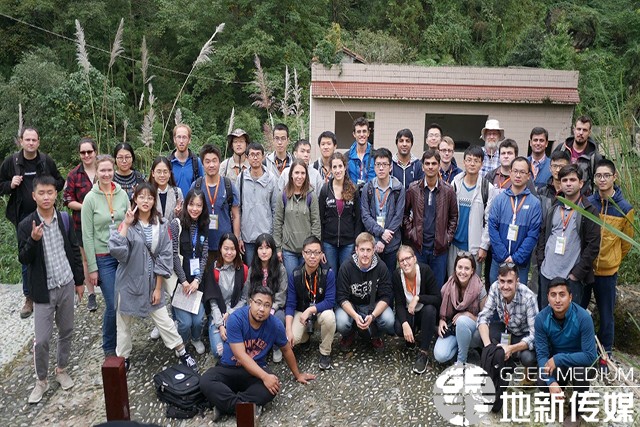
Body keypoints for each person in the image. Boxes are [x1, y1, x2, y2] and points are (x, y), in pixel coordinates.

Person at [108, 183, 197, 372]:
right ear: (135, 199)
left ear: (154, 200)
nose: (145, 201)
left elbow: (165, 257)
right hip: (128, 281)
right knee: (123, 322)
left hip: (151, 282)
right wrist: (126, 225)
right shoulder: (128, 223)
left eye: (149, 197)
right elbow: (117, 252)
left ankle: (181, 351)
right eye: (141, 197)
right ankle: (123, 356)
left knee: (164, 319)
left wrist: (158, 288)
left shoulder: (162, 224)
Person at [199, 286, 316, 422]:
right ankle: (245, 407)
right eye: (258, 303)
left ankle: (223, 405)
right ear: (250, 302)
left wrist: (298, 374)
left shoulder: (275, 325)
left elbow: (286, 349)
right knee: (206, 380)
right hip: (229, 367)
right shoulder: (236, 319)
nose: (261, 309)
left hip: (255, 371)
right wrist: (265, 376)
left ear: (271, 308)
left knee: (272, 387)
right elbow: (241, 356)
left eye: (267, 305)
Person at [18, 175, 84, 403]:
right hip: (43, 290)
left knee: (67, 330)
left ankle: (61, 369)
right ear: (33, 196)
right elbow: (23, 258)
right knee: (42, 339)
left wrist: (79, 281)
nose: (46, 197)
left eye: (50, 192)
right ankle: (41, 380)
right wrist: (33, 240)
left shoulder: (64, 219)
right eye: (41, 193)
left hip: (65, 283)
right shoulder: (26, 225)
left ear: (56, 194)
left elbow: (74, 250)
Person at [0, 127, 64, 318]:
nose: (30, 143)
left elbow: (60, 182)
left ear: (38, 142)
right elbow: (0, 185)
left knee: (50, 253)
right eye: (27, 140)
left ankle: (53, 293)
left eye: (33, 140)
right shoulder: (11, 162)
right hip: (23, 219)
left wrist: (48, 185)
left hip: (46, 215)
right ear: (21, 141)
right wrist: (10, 184)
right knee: (27, 256)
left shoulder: (45, 161)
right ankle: (29, 297)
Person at [584, 159, 634, 358]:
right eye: (598, 176)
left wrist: (613, 259)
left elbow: (626, 242)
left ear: (614, 177)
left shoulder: (624, 208)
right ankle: (581, 347)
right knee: (579, 309)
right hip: (586, 268)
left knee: (606, 314)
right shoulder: (588, 202)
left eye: (606, 175)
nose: (602, 179)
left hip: (608, 271)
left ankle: (606, 352)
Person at [82, 155, 129, 356]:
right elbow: (87, 235)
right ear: (97, 171)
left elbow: (130, 222)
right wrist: (92, 267)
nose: (107, 174)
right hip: (103, 256)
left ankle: (123, 342)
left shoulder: (122, 194)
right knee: (112, 303)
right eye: (102, 170)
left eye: (110, 170)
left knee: (124, 301)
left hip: (122, 255)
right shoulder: (90, 199)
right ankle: (109, 346)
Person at [535, 277, 598, 427]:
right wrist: (551, 381)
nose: (557, 300)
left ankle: (576, 411)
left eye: (562, 295)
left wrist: (558, 359)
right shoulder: (541, 318)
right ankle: (558, 387)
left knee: (581, 373)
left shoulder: (583, 317)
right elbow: (542, 355)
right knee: (542, 379)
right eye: (553, 295)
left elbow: (590, 356)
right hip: (558, 365)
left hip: (580, 362)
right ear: (548, 297)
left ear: (570, 297)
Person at [537, 164, 601, 308]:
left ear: (581, 183)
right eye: (564, 180)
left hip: (571, 277)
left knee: (570, 318)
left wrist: (576, 274)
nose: (568, 184)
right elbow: (543, 236)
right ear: (560, 184)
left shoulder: (589, 211)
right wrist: (541, 263)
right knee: (546, 315)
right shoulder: (554, 207)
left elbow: (593, 246)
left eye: (572, 180)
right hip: (547, 273)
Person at [403, 149, 458, 287]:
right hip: (419, 248)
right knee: (419, 286)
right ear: (422, 167)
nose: (430, 167)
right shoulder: (413, 189)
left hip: (439, 250)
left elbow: (454, 217)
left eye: (434, 163)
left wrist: (447, 238)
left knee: (437, 287)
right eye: (427, 163)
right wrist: (411, 233)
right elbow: (404, 214)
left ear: (439, 165)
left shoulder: (448, 190)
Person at [336, 232, 395, 352]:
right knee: (341, 322)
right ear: (356, 250)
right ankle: (349, 333)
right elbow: (341, 297)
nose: (365, 254)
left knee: (389, 319)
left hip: (373, 305)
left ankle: (376, 335)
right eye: (362, 249)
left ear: (374, 250)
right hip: (352, 305)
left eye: (368, 250)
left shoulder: (381, 267)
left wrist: (373, 316)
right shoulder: (346, 267)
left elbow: (386, 296)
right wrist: (355, 316)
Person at [488, 157, 542, 285]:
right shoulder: (499, 199)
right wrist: (503, 256)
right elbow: (492, 228)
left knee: (518, 295)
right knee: (496, 292)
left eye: (522, 172)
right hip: (498, 260)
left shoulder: (534, 204)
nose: (518, 175)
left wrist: (516, 258)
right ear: (510, 172)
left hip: (520, 264)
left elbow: (533, 234)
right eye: (515, 171)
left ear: (528, 176)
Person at [285, 236, 336, 370]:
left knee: (330, 317)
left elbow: (330, 301)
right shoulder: (295, 275)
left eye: (316, 252)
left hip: (319, 312)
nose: (312, 256)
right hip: (301, 312)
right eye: (309, 252)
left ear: (321, 254)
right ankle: (305, 337)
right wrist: (288, 330)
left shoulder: (328, 273)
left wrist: (310, 310)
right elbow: (290, 304)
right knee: (293, 339)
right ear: (303, 254)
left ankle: (325, 352)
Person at [170, 189, 209, 355]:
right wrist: (184, 281)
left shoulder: (204, 224)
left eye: (199, 205)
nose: (195, 209)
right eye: (192, 204)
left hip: (196, 282)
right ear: (186, 204)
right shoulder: (176, 224)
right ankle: (183, 341)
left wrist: (197, 280)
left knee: (198, 320)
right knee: (185, 323)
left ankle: (195, 338)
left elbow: (204, 255)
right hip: (180, 282)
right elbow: (173, 255)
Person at [477, 262, 538, 368]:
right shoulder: (495, 288)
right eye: (502, 281)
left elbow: (535, 336)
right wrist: (488, 347)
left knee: (527, 358)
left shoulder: (528, 297)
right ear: (498, 280)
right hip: (507, 329)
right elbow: (483, 317)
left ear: (517, 282)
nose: (505, 286)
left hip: (523, 334)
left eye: (510, 282)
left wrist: (512, 348)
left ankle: (516, 358)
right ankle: (497, 360)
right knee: (478, 336)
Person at [449, 146, 496, 278]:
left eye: (476, 160)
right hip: (454, 244)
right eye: (469, 160)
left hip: (474, 247)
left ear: (482, 164)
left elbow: (489, 220)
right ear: (464, 162)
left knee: (472, 283)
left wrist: (484, 246)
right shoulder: (455, 183)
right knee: (453, 280)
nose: (472, 163)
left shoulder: (487, 188)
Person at [392, 246, 440, 374]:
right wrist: (405, 324)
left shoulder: (425, 271)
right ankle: (410, 337)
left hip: (424, 311)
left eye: (408, 258)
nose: (405, 262)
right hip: (409, 312)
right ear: (399, 263)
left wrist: (418, 298)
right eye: (402, 260)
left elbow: (437, 298)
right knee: (398, 327)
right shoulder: (397, 275)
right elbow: (399, 304)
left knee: (430, 310)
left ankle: (423, 352)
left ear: (414, 258)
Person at [64, 137, 98, 312]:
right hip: (81, 224)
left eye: (89, 151)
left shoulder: (104, 169)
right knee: (86, 259)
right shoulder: (74, 175)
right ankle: (91, 294)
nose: (86, 155)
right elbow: (68, 199)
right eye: (82, 152)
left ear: (95, 152)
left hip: (105, 224)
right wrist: (87, 207)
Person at [191, 144, 241, 266]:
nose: (211, 165)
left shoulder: (228, 185)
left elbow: (236, 215)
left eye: (214, 161)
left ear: (220, 162)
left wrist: (236, 240)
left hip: (225, 246)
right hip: (202, 245)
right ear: (202, 164)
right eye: (207, 162)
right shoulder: (197, 186)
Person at [433, 253, 487, 364]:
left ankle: (461, 361)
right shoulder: (448, 286)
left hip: (474, 330)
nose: (462, 272)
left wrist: (468, 315)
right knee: (440, 356)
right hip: (453, 328)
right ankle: (461, 347)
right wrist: (442, 320)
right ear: (455, 268)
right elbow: (443, 310)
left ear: (472, 270)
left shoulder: (479, 289)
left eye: (467, 268)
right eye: (460, 267)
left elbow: (485, 320)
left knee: (462, 321)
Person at [273, 159, 321, 276]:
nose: (300, 176)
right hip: (289, 249)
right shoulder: (283, 195)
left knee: (307, 281)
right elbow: (278, 222)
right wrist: (278, 248)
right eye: (297, 173)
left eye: (303, 173)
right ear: (291, 175)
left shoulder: (311, 196)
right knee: (292, 280)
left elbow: (316, 223)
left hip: (308, 250)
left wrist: (314, 248)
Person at [204, 233, 248, 360]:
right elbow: (212, 301)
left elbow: (244, 299)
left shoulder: (243, 270)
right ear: (220, 249)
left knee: (241, 347)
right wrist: (220, 325)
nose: (229, 253)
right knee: (219, 351)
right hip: (217, 314)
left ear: (237, 250)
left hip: (236, 312)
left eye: (232, 249)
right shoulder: (214, 270)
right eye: (226, 248)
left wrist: (230, 313)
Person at [245, 233, 288, 363]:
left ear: (273, 250)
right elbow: (248, 292)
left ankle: (276, 347)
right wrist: (254, 307)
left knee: (279, 318)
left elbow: (281, 293)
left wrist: (271, 309)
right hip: (256, 306)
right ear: (256, 250)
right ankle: (255, 347)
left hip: (275, 307)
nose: (264, 252)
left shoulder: (280, 268)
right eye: (260, 248)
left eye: (267, 248)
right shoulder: (253, 269)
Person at [361, 148, 405, 272]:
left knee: (388, 279)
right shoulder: (368, 188)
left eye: (384, 164)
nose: (381, 168)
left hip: (391, 245)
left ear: (390, 167)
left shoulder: (398, 188)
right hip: (372, 243)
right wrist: (381, 233)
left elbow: (398, 217)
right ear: (374, 167)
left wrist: (384, 241)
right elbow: (365, 215)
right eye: (378, 164)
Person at [319, 152, 362, 275]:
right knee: (330, 275)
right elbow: (320, 219)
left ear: (345, 167)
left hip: (348, 243)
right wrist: (321, 246)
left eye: (340, 166)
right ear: (331, 169)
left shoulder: (353, 189)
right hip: (329, 242)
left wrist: (356, 243)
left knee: (345, 275)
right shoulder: (325, 189)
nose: (337, 170)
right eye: (334, 167)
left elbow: (358, 219)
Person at [236, 142, 278, 265]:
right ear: (247, 157)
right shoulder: (241, 178)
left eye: (258, 154)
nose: (255, 158)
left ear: (263, 156)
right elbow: (237, 209)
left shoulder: (271, 179)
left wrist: (274, 237)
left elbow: (275, 209)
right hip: (247, 236)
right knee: (250, 271)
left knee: (266, 271)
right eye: (252, 155)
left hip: (266, 236)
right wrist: (239, 237)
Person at [553, 115, 603, 196]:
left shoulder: (594, 156)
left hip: (584, 199)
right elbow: (552, 171)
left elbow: (599, 182)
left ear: (589, 132)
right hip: (560, 196)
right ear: (574, 130)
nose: (581, 133)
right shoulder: (562, 148)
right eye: (579, 129)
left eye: (585, 130)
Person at [168, 123, 204, 199]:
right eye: (179, 137)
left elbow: (202, 187)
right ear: (174, 139)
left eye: (184, 137)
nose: (181, 141)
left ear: (189, 140)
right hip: (172, 205)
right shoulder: (168, 163)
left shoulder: (196, 163)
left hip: (192, 205)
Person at [149, 156, 183, 222]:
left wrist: (178, 213)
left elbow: (183, 219)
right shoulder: (148, 192)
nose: (162, 175)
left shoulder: (177, 192)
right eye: (159, 172)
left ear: (169, 173)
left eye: (165, 172)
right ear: (153, 173)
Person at [347, 117, 375, 185]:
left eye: (364, 131)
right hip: (352, 191)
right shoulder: (347, 157)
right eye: (359, 132)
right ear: (354, 134)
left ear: (368, 133)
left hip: (371, 191)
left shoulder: (375, 155)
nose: (362, 135)